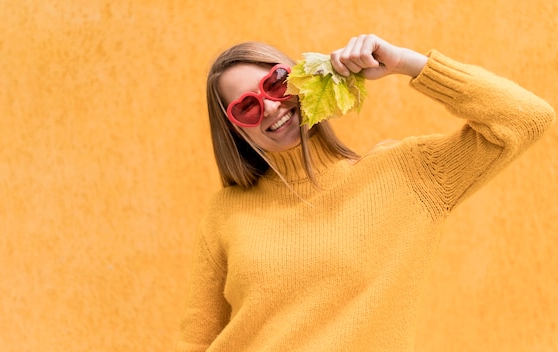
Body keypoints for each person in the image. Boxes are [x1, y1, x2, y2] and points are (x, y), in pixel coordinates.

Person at [176, 34, 555, 352]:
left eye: (276, 83)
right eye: (247, 107)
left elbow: (526, 117)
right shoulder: (225, 212)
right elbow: (197, 338)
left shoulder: (411, 174)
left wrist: (408, 63)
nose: (272, 105)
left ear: (304, 78)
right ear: (236, 130)